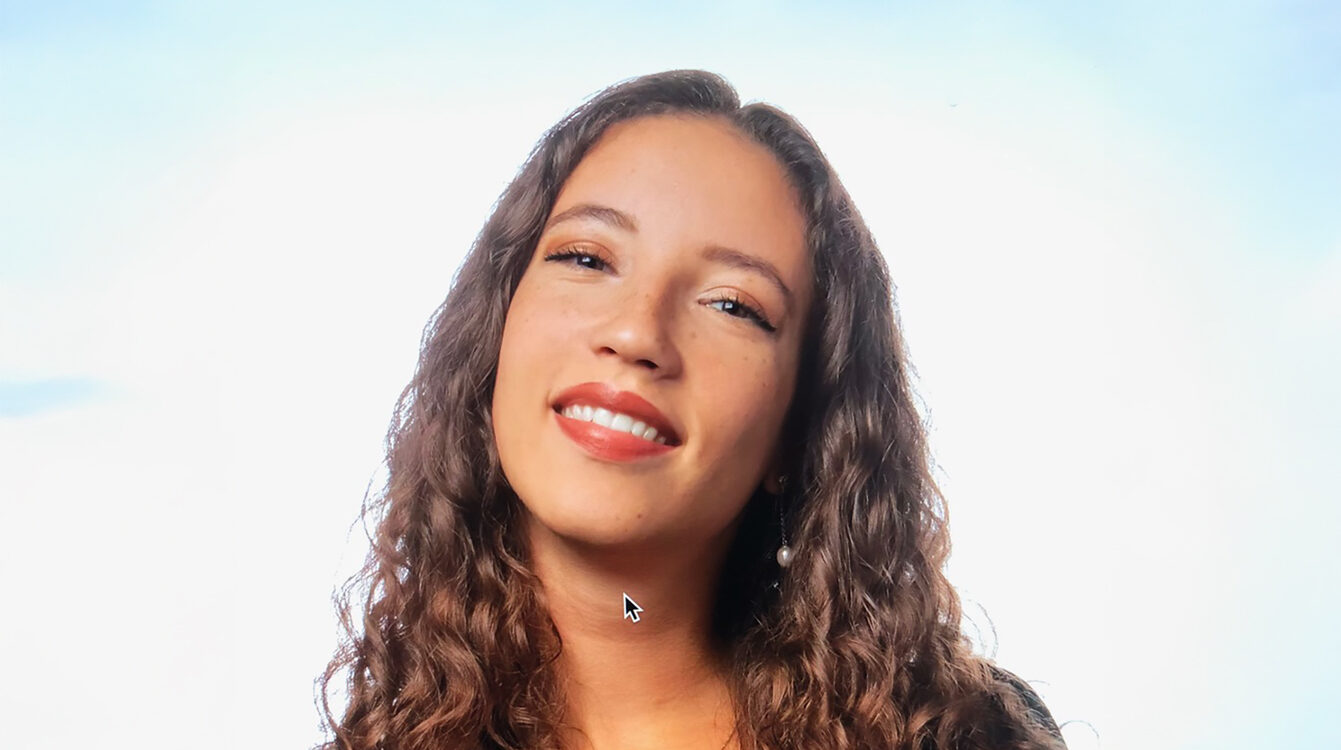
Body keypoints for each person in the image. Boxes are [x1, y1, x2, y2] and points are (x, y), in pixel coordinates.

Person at [318, 70, 1066, 750]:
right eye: (586, 258)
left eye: (733, 305)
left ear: (799, 431)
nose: (637, 333)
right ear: (495, 334)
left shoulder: (964, 738)